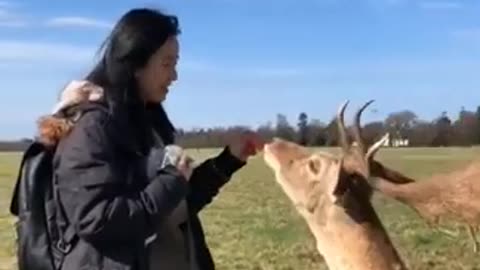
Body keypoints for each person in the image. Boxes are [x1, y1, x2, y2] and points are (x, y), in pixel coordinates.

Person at [36, 7, 262, 270]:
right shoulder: (91, 127)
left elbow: (172, 208)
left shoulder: (148, 122)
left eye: (175, 64)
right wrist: (171, 180)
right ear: (135, 64)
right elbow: (97, 220)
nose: (174, 76)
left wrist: (227, 161)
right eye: (167, 64)